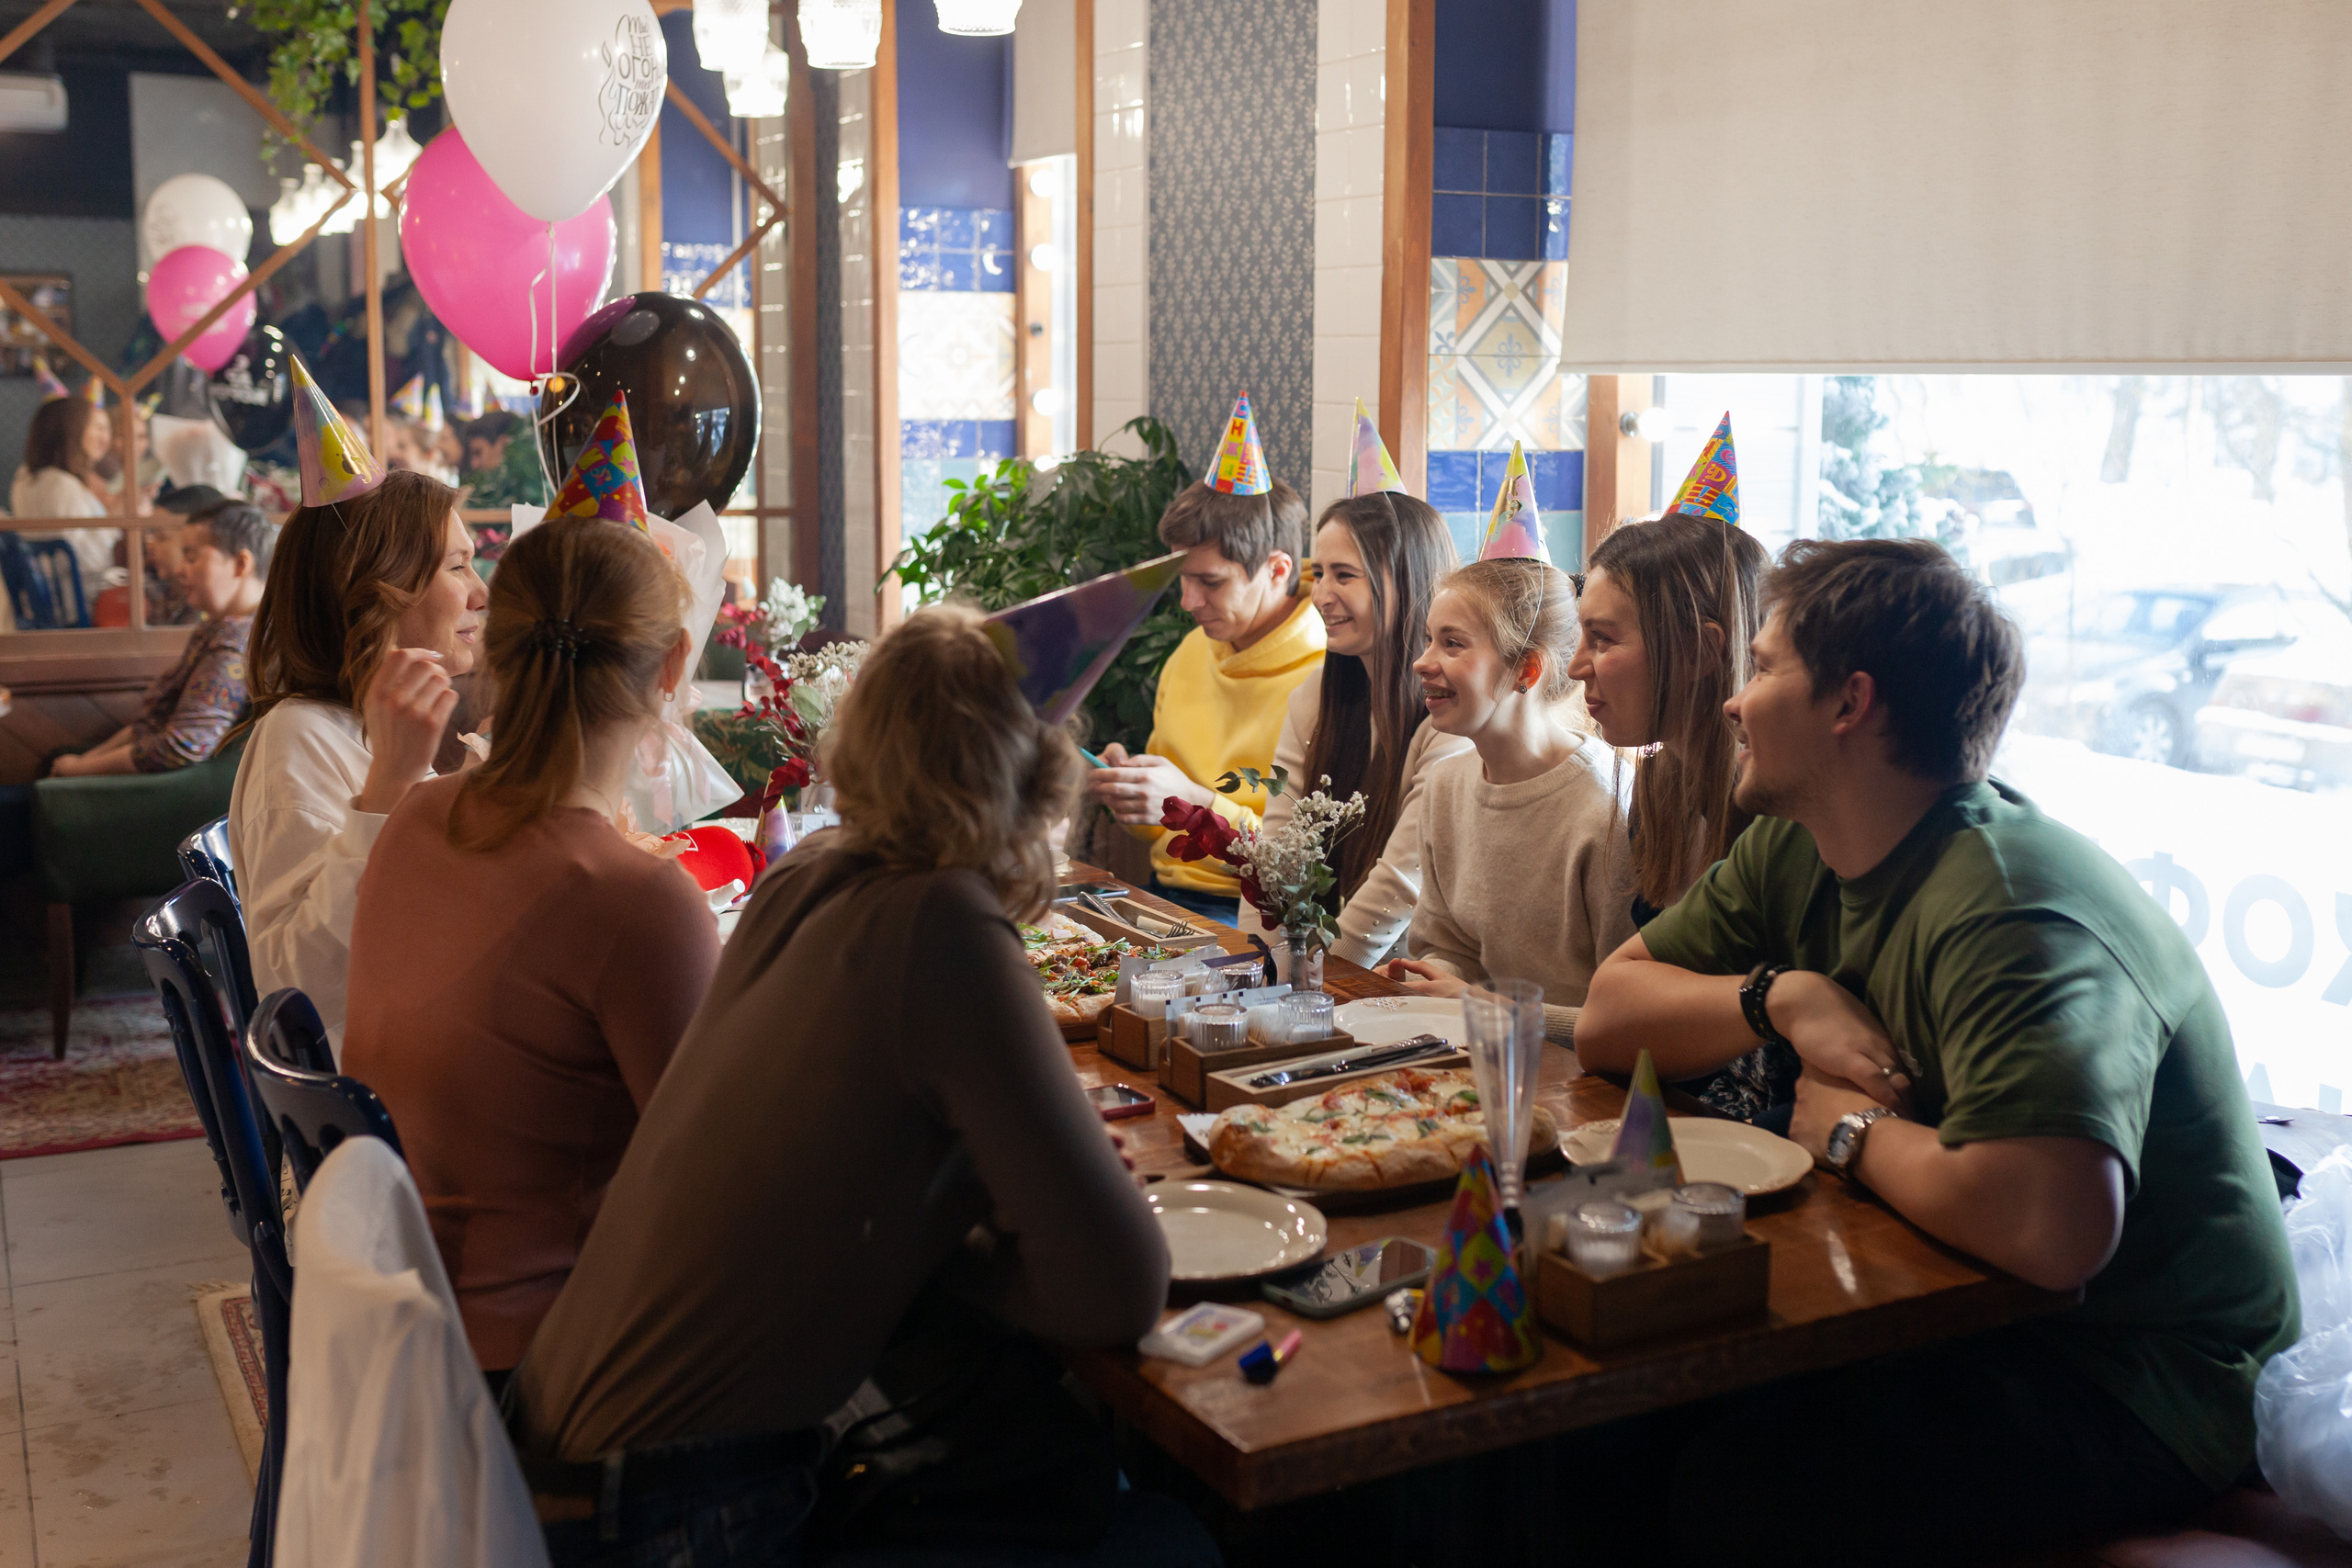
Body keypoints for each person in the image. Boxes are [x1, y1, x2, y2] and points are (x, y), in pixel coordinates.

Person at [1575, 538, 2297, 1565]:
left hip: (2137, 1375)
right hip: (1958, 1318)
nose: (1734, 702)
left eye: (1766, 667)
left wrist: (1852, 1133)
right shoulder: (1798, 841)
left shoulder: (2014, 907)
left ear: (1848, 704)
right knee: (1616, 1430)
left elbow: (2057, 1231)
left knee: (1736, 1493)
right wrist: (1776, 995)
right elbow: (1609, 1015)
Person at [511, 604, 1193, 1566]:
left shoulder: (811, 873)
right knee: (1162, 1543)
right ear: (1040, 778)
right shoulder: (943, 921)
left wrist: (921, 1220)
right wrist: (956, 1240)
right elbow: (1119, 1291)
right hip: (674, 1512)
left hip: (553, 1461)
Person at [343, 517, 713, 1378]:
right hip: (539, 1378)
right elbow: (719, 1184)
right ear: (671, 665)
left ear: (495, 653)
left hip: (401, 1333)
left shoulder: (415, 817)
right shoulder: (638, 897)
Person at [230, 468, 488, 1053]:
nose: (480, 591)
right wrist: (390, 790)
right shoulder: (298, 737)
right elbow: (297, 990)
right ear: (378, 588)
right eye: (457, 565)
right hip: (376, 1091)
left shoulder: (365, 728)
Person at [1564, 510, 1785, 1121]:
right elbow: (1613, 1017)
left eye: (1603, 639)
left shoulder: (1784, 820)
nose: (1577, 664)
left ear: (1700, 649)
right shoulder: (1659, 788)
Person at [1086, 404, 1325, 921]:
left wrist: (1196, 804)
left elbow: (1311, 862)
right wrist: (1134, 792)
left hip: (1259, 911)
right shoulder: (1193, 650)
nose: (1187, 602)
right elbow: (1159, 829)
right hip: (1159, 895)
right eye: (1182, 578)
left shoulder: (1328, 675)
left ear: (1277, 569)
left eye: (1210, 582)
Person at [1385, 558, 1634, 1043]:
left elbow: (1629, 1015)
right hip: (1477, 1048)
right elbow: (1446, 944)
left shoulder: (1606, 810)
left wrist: (1483, 1007)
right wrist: (1433, 979)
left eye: (1452, 643)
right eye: (1429, 639)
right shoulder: (1445, 786)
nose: (1422, 661)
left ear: (1527, 668)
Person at [1238, 491, 1469, 966]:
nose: (1321, 594)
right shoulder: (1314, 696)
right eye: (1318, 573)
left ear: (1409, 581)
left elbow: (1402, 882)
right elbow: (1278, 846)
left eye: (1344, 575)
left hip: (1402, 975)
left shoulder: (1452, 715)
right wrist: (1262, 959)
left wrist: (1320, 974)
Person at [50, 500, 275, 777]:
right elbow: (150, 724)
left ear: (241, 564)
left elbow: (182, 745)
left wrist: (79, 770)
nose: (181, 570)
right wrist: (81, 763)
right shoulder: (217, 627)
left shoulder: (236, 641)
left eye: (192, 557)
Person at [10, 395, 120, 614]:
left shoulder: (23, 478)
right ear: (71, 430)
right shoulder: (61, 484)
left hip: (40, 603)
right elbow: (88, 561)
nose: (104, 438)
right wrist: (118, 521)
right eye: (95, 427)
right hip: (77, 605)